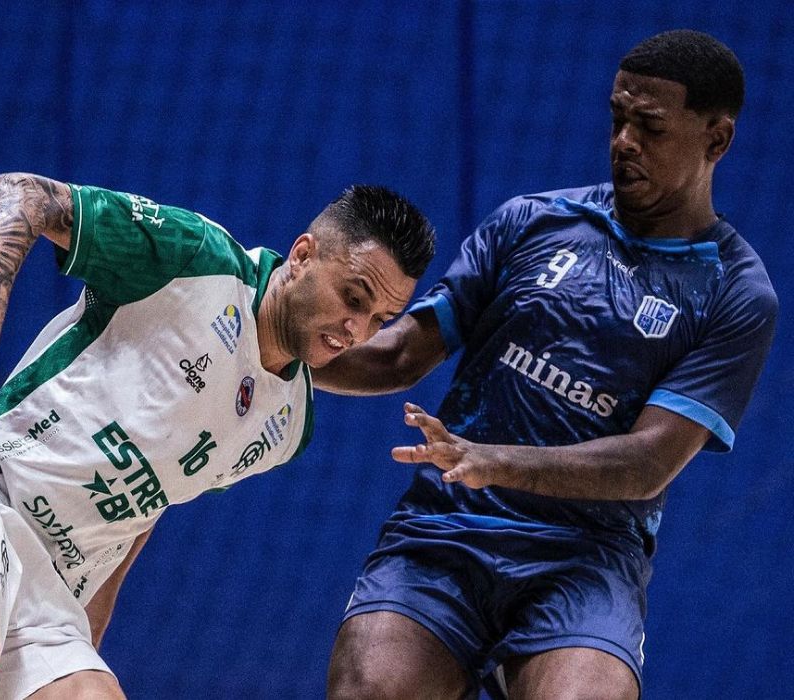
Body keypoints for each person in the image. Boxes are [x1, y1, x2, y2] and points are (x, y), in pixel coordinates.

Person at [318, 29, 777, 700]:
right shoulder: (531, 222)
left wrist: (495, 460)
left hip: (585, 559)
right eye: (618, 118)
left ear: (717, 140)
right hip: (446, 532)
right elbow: (399, 354)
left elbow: (647, 461)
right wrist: (278, 344)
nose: (624, 140)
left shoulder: (736, 293)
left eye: (649, 126)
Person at [0, 174, 435, 699]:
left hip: (51, 582)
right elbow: (20, 195)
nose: (356, 329)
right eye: (353, 299)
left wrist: (85, 634)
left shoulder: (287, 426)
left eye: (380, 319)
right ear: (303, 256)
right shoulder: (195, 261)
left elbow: (149, 502)